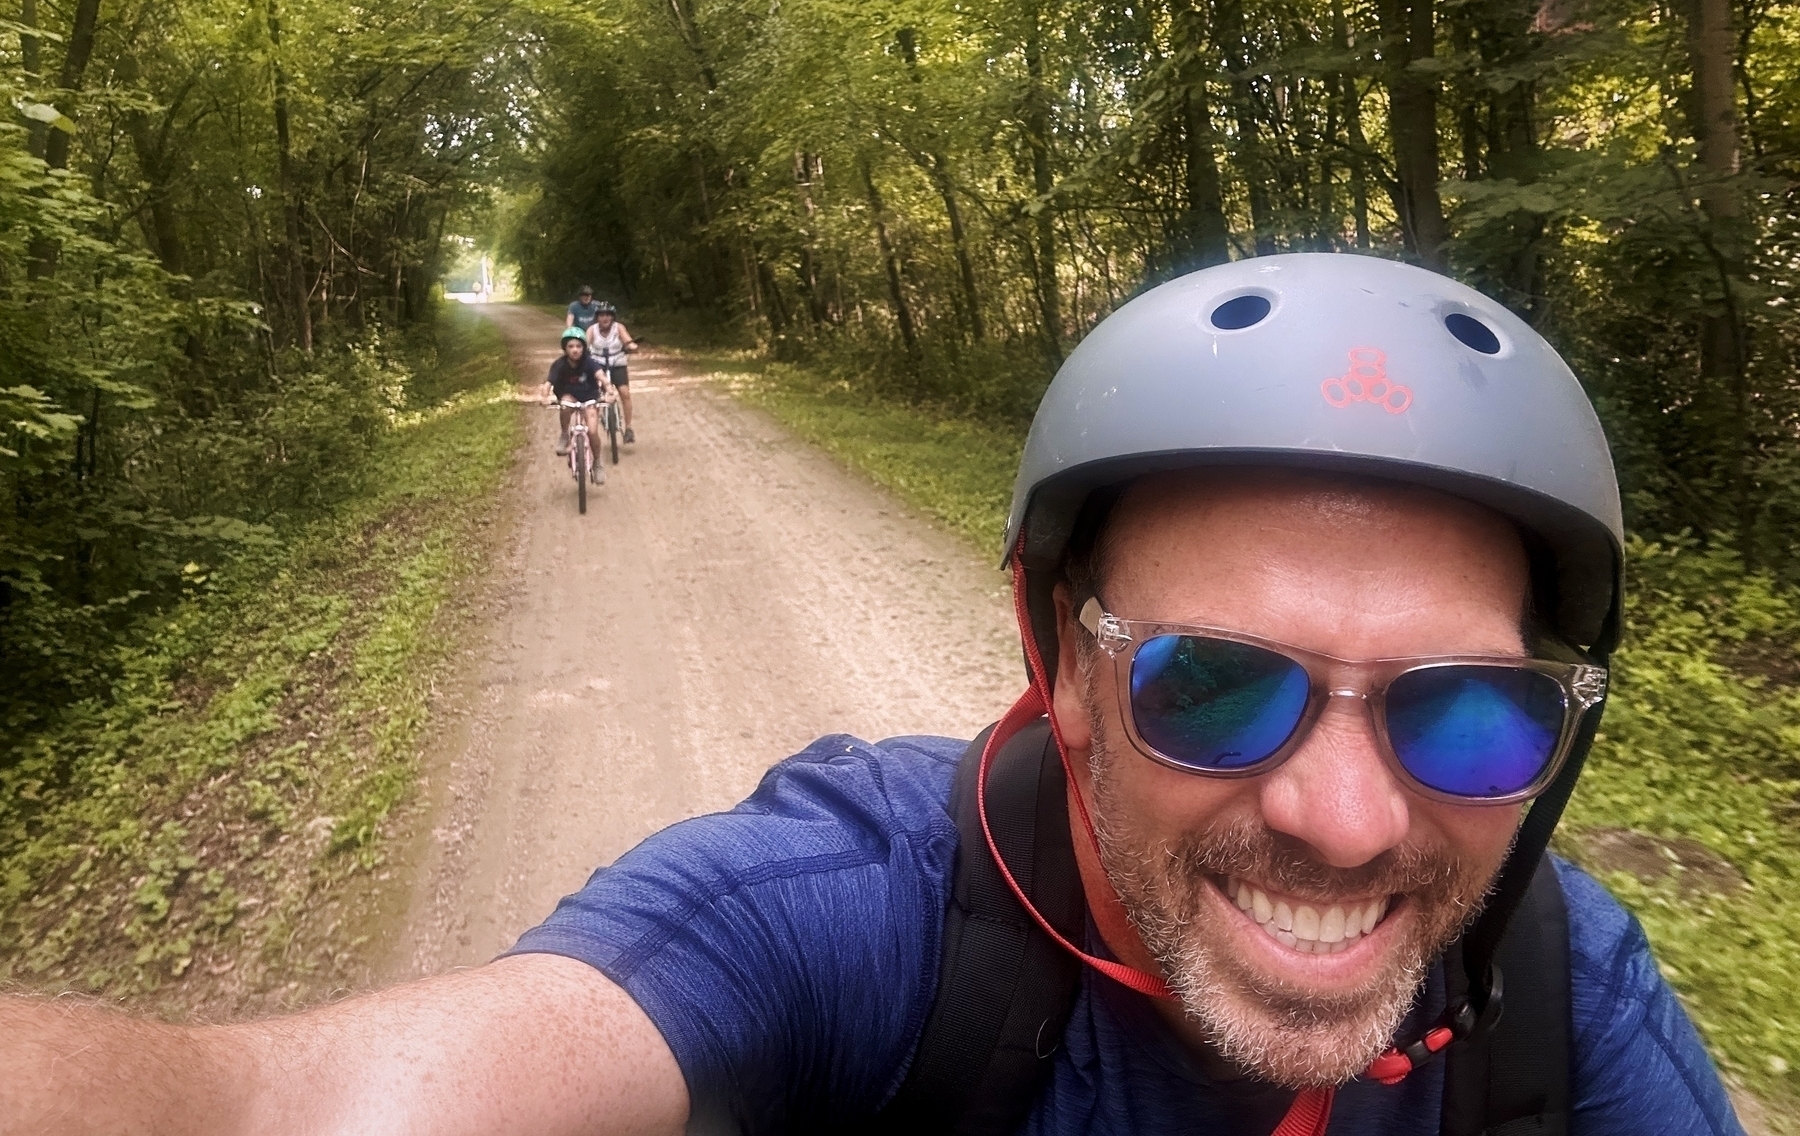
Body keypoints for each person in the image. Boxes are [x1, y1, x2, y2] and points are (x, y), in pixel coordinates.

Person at [0, 255, 1746, 1136]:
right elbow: (278, 1109)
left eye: (1466, 714)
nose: (1349, 817)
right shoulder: (863, 913)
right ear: (1063, 669)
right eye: (1218, 690)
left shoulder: (1556, 990)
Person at [544, 328, 603, 481]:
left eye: (578, 346)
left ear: (584, 348)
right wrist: (543, 396)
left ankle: (597, 463)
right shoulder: (559, 364)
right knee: (565, 405)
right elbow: (548, 383)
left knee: (592, 431)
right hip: (569, 395)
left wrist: (609, 390)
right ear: (565, 348)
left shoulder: (589, 362)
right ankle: (564, 434)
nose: (575, 350)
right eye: (571, 346)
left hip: (589, 397)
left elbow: (601, 376)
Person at [584, 302, 639, 444]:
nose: (605, 318)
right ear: (597, 317)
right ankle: (592, 428)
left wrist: (631, 346)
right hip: (598, 364)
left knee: (624, 392)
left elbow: (627, 340)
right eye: (602, 315)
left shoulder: (618, 328)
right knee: (595, 396)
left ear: (612, 317)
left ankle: (628, 428)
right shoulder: (592, 330)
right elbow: (585, 343)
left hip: (617, 363)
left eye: (608, 315)